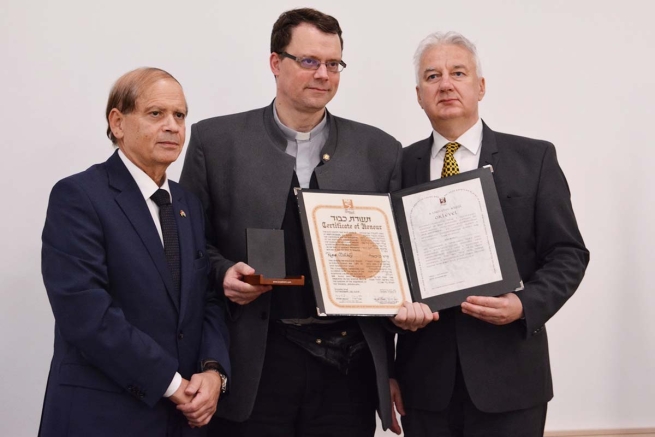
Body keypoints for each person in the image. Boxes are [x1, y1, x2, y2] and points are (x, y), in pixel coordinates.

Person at [180, 8, 404, 437]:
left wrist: (391, 371)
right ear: (274, 63)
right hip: (253, 364)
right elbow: (190, 246)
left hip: (349, 370)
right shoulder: (215, 142)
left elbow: (396, 266)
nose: (323, 74)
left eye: (333, 64)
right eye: (308, 61)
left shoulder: (380, 150)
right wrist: (224, 272)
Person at [394, 32, 590, 437]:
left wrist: (523, 305)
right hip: (424, 384)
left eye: (458, 73)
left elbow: (568, 253)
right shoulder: (396, 166)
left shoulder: (534, 159)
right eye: (433, 76)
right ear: (418, 94)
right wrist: (388, 364)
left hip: (512, 381)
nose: (445, 84)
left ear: (480, 86)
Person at [39, 67, 230, 437]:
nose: (173, 126)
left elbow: (206, 298)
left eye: (180, 115)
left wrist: (213, 372)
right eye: (156, 114)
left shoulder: (187, 203)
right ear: (118, 122)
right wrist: (174, 386)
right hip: (102, 417)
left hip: (184, 421)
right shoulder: (79, 196)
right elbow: (87, 315)